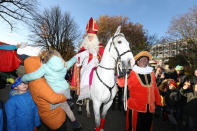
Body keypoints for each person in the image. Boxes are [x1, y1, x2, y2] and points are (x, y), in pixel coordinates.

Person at [22, 49, 81, 130]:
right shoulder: (64, 64)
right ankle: (74, 121)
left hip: (56, 91)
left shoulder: (45, 67)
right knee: (66, 107)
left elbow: (33, 75)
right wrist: (76, 58)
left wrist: (24, 78)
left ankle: (67, 104)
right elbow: (71, 62)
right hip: (66, 89)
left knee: (63, 106)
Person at [117, 51, 163, 131]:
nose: (145, 61)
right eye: (143, 59)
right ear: (138, 61)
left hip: (150, 109)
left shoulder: (151, 73)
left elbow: (155, 89)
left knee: (147, 128)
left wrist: (158, 104)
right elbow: (121, 84)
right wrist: (121, 75)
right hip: (136, 108)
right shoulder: (132, 72)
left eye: (147, 59)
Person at [71, 17, 104, 113]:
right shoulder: (83, 46)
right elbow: (78, 57)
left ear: (95, 37)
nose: (90, 37)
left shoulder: (100, 46)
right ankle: (81, 99)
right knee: (84, 74)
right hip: (85, 66)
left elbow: (103, 57)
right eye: (88, 36)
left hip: (96, 66)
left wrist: (98, 59)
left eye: (92, 36)